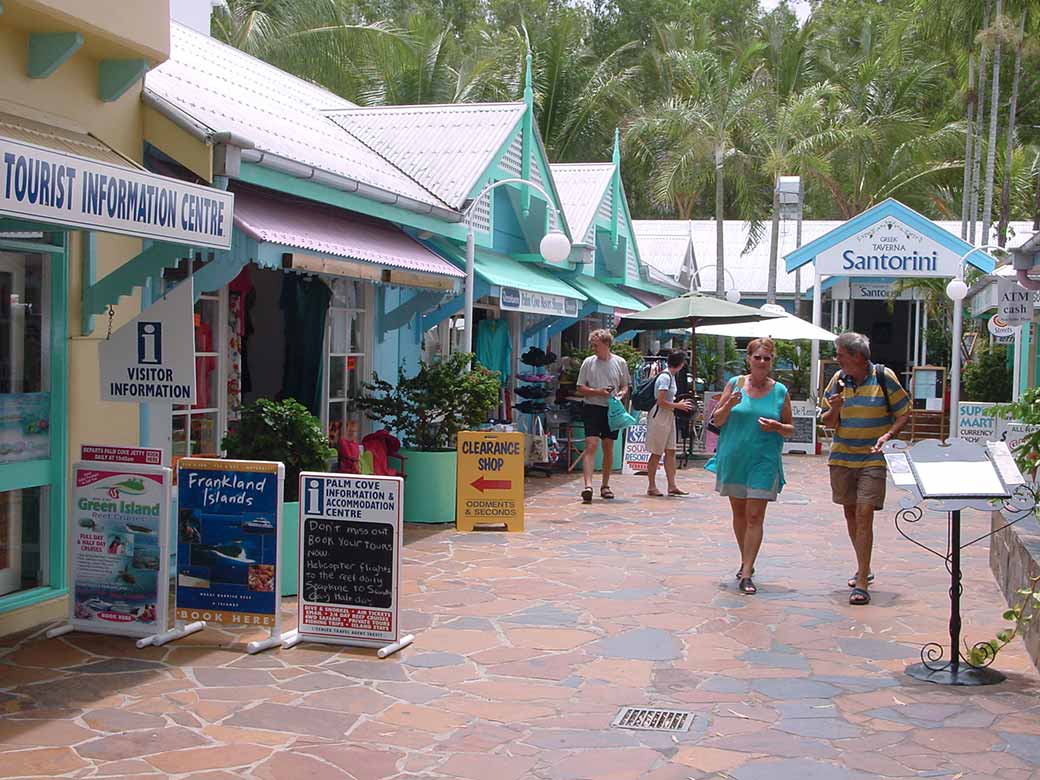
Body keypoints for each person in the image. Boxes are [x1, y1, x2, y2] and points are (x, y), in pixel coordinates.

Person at [820, 331, 910, 605]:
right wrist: (834, 409)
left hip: (872, 458)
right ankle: (864, 566)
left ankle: (861, 583)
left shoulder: (884, 377)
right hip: (843, 457)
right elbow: (828, 423)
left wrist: (888, 435)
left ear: (857, 356)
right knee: (851, 515)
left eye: (840, 355)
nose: (837, 360)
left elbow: (904, 412)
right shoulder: (838, 381)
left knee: (864, 513)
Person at [706, 338, 794, 595]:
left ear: (771, 361)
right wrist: (729, 405)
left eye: (767, 358)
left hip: (764, 460)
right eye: (758, 357)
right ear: (749, 359)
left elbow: (790, 429)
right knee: (740, 513)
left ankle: (746, 571)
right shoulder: (734, 385)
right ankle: (746, 559)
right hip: (735, 457)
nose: (762, 362)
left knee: (756, 515)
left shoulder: (780, 391)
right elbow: (717, 420)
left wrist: (777, 427)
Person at [576, 329, 631, 503]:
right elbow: (580, 387)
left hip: (611, 409)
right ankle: (588, 485)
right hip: (592, 407)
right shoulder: (588, 362)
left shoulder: (620, 362)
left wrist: (621, 395)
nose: (594, 348)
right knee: (591, 444)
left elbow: (625, 386)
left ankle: (605, 485)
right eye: (592, 345)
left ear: (606, 345)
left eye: (596, 345)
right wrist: (597, 392)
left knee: (608, 446)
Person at [646, 350, 694, 496]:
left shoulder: (671, 377)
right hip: (660, 415)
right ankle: (652, 486)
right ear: (681, 364)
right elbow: (660, 401)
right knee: (656, 452)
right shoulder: (665, 378)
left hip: (668, 415)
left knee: (671, 451)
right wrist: (678, 406)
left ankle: (672, 485)